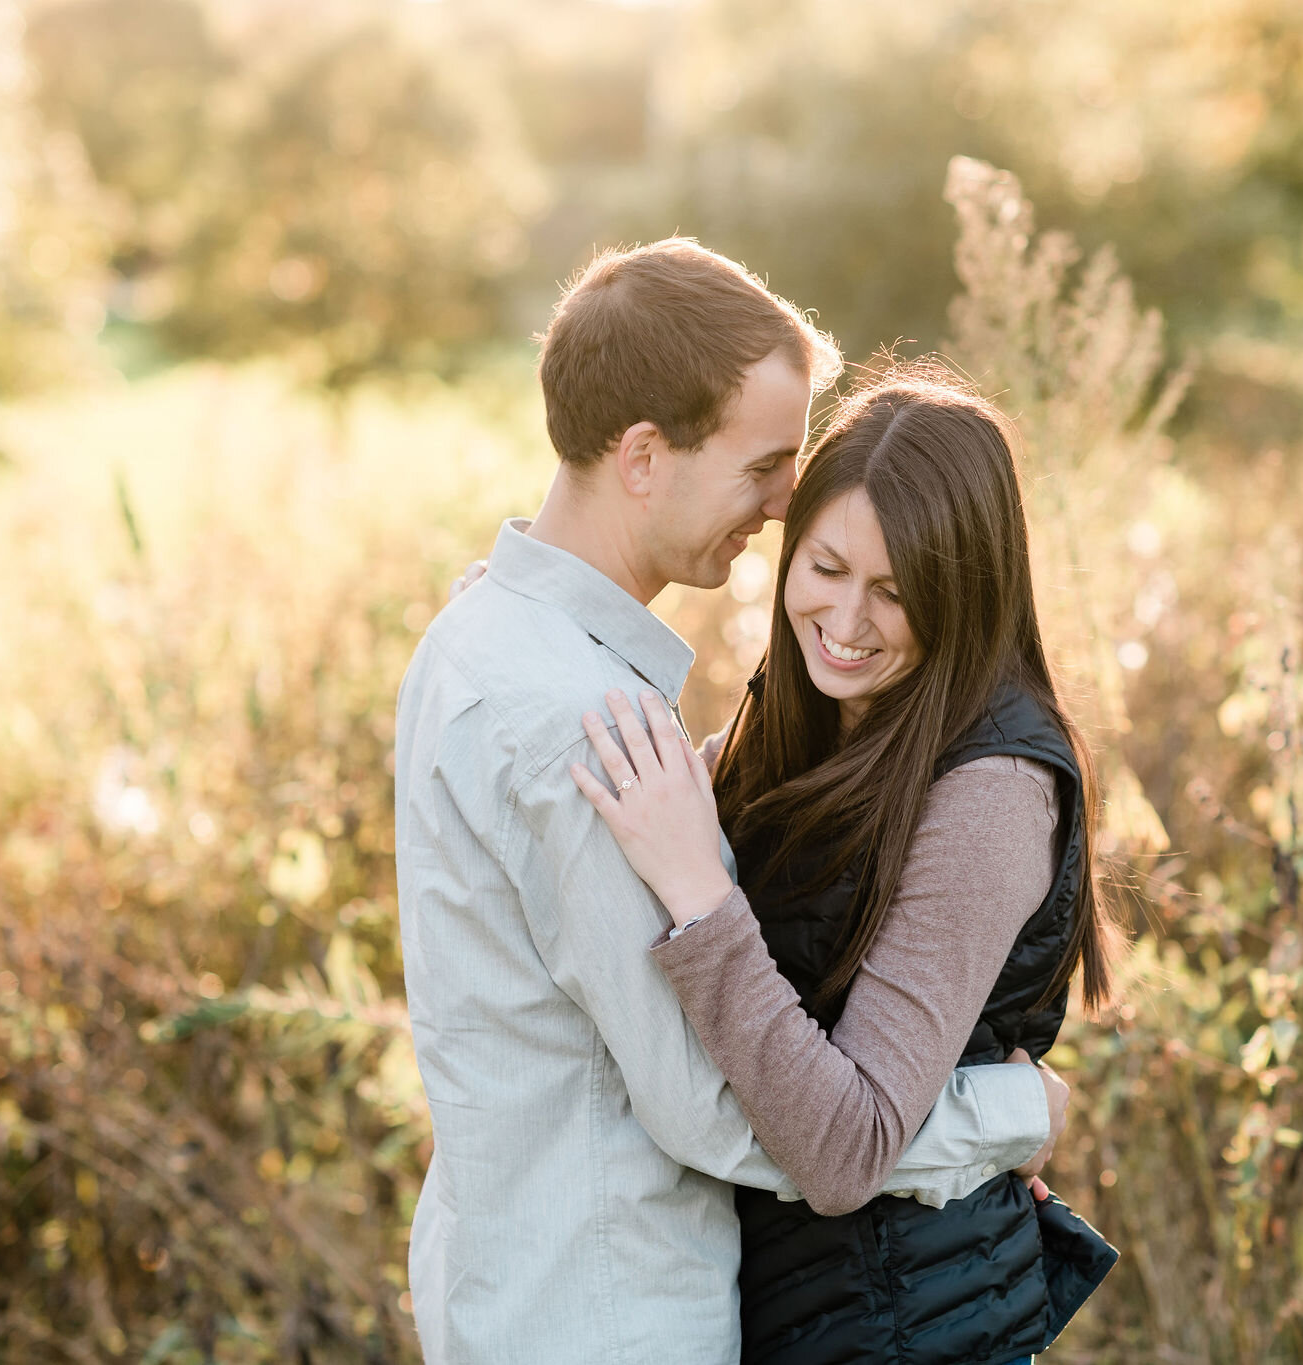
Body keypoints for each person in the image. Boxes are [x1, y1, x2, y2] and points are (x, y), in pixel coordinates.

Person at [392, 241, 1066, 1365]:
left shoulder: (478, 638)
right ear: (645, 457)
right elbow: (717, 1111)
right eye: (763, 465)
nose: (784, 502)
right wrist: (1008, 1118)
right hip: (610, 1315)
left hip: (517, 1285)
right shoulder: (587, 728)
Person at [572, 367, 1120, 1365]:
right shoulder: (810, 711)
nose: (847, 621)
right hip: (805, 1310)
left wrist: (700, 895)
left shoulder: (992, 788)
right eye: (824, 568)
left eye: (896, 593)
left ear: (965, 595)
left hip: (904, 1327)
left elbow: (840, 1148)